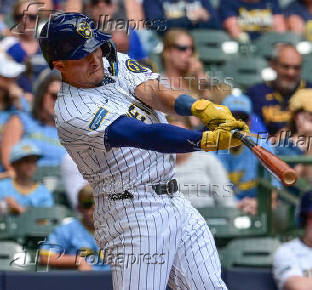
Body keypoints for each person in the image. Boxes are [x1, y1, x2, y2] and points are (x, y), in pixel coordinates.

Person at [39, 12, 249, 290]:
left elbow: (154, 91)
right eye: (83, 54)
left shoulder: (112, 62)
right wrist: (204, 140)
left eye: (96, 48)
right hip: (132, 213)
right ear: (60, 65)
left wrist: (199, 107)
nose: (94, 58)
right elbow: (145, 135)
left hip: (175, 201)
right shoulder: (72, 112)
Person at [248, 43, 312, 135]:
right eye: (286, 67)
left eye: (296, 68)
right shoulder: (257, 93)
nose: (291, 73)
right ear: (273, 65)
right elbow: (251, 129)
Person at [216, 93, 275, 215]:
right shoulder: (210, 146)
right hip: (223, 209)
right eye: (232, 118)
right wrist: (235, 205)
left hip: (257, 208)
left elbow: (274, 191)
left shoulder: (263, 146)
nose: (237, 124)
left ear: (250, 121)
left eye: (242, 118)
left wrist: (257, 204)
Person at [1, 69, 67, 173]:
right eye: (54, 96)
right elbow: (8, 163)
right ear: (42, 95)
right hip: (27, 184)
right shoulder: (21, 120)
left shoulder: (70, 130)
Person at [169, 116, 237, 209]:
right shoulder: (157, 164)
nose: (177, 140)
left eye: (182, 135)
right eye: (171, 135)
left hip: (208, 219)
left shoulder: (207, 160)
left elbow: (226, 198)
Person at [39, 184, 110, 271]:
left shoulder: (118, 230)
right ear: (79, 208)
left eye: (99, 204)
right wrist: (78, 260)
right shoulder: (68, 230)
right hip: (81, 281)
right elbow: (45, 256)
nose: (93, 209)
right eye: (87, 205)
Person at [0, 140, 53, 214]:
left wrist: (19, 209)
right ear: (14, 164)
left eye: (34, 161)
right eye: (26, 161)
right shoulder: (2, 187)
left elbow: (45, 221)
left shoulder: (43, 192)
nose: (30, 165)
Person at [218, 0, 286, 42]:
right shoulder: (229, 1)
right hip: (241, 48)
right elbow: (233, 28)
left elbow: (280, 28)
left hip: (269, 47)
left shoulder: (272, 1)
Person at [143, 0, 220, 31]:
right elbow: (156, 25)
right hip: (171, 47)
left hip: (201, 43)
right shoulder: (154, 1)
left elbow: (216, 24)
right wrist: (190, 19)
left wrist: (173, 22)